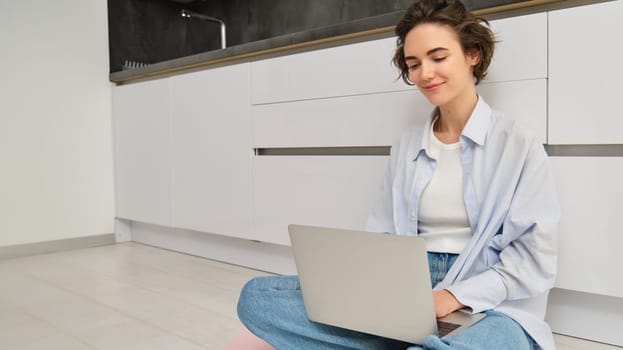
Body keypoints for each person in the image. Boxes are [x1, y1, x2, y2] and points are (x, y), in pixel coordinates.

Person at [232, 0, 560, 349]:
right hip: (406, 288)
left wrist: (452, 295)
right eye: (414, 64)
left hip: (487, 303)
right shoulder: (406, 147)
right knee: (258, 297)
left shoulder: (517, 144)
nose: (425, 74)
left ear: (472, 54)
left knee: (496, 340)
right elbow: (383, 235)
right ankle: (407, 338)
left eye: (438, 57)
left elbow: (530, 258)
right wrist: (382, 297)